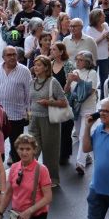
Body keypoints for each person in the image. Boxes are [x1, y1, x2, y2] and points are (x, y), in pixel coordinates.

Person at [27, 55, 68, 185]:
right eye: (35, 64)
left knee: (50, 150)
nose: (35, 67)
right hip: (34, 119)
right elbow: (30, 100)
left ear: (46, 67)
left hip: (49, 120)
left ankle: (52, 179)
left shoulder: (53, 82)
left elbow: (63, 102)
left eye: (39, 65)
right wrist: (28, 112)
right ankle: (29, 177)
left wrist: (48, 102)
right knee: (32, 149)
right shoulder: (32, 82)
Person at [0, 46, 33, 163]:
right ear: (3, 57)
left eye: (14, 54)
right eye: (9, 55)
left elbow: (29, 93)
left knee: (17, 147)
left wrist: (28, 111)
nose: (12, 57)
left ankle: (16, 174)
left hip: (16, 116)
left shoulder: (24, 71)